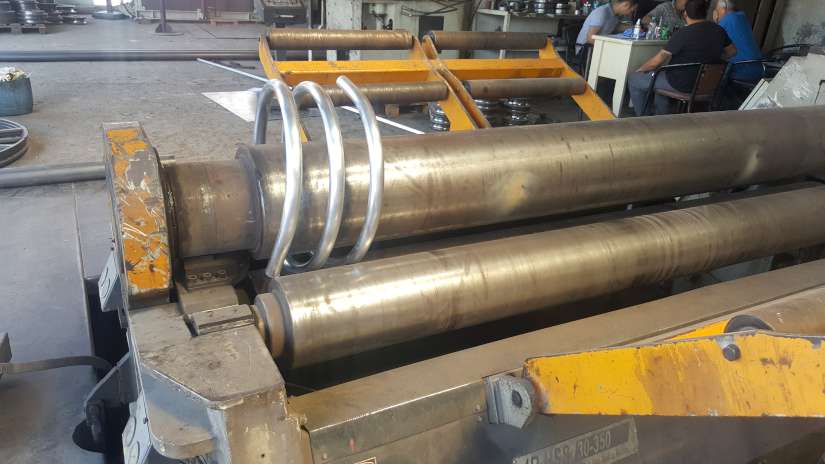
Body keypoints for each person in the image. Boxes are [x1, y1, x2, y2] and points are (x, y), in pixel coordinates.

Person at [627, 0, 736, 115]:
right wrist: (711, 55)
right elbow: (732, 51)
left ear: (685, 14)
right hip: (707, 85)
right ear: (705, 12)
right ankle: (661, 117)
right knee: (660, 78)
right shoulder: (719, 30)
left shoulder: (683, 33)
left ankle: (643, 117)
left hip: (681, 84)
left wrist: (639, 71)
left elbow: (655, 62)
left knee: (634, 79)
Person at [714, 0, 763, 83]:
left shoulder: (726, 21)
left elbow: (712, 41)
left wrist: (716, 20)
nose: (716, 13)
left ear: (723, 9)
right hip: (759, 68)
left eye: (716, 10)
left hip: (741, 71)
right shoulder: (742, 16)